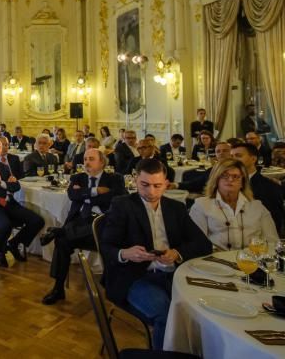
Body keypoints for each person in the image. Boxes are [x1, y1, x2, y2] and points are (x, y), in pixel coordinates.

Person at [100, 159, 211, 350]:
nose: (151, 192)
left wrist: (177, 253)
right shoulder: (122, 205)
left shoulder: (175, 208)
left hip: (175, 274)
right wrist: (125, 253)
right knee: (166, 315)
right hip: (135, 276)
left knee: (203, 311)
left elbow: (203, 244)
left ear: (166, 184)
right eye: (144, 185)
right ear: (135, 181)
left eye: (157, 186)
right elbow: (106, 246)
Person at [40, 149, 126, 305]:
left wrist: (86, 196)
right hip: (79, 222)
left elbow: (117, 199)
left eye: (91, 159)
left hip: (102, 225)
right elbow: (72, 195)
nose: (86, 162)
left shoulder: (115, 179)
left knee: (63, 236)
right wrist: (96, 191)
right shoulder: (78, 177)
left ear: (102, 162)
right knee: (62, 242)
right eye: (85, 159)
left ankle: (58, 231)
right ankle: (58, 289)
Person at [0, 139, 44, 267]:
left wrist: (1, 183)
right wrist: (7, 186)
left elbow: (16, 186)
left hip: (8, 204)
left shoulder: (4, 167)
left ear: (0, 151)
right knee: (5, 225)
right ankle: (0, 253)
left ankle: (13, 244)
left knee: (37, 221)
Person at [188, 158, 279, 250]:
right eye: (224, 175)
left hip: (252, 260)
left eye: (235, 176)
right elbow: (197, 243)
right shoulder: (202, 205)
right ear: (216, 180)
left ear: (242, 182)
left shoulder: (257, 207)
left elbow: (272, 241)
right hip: (216, 261)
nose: (230, 179)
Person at [231, 143, 284, 234]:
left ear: (253, 159)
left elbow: (274, 223)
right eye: (231, 156)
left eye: (238, 156)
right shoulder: (225, 183)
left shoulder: (268, 187)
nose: (233, 160)